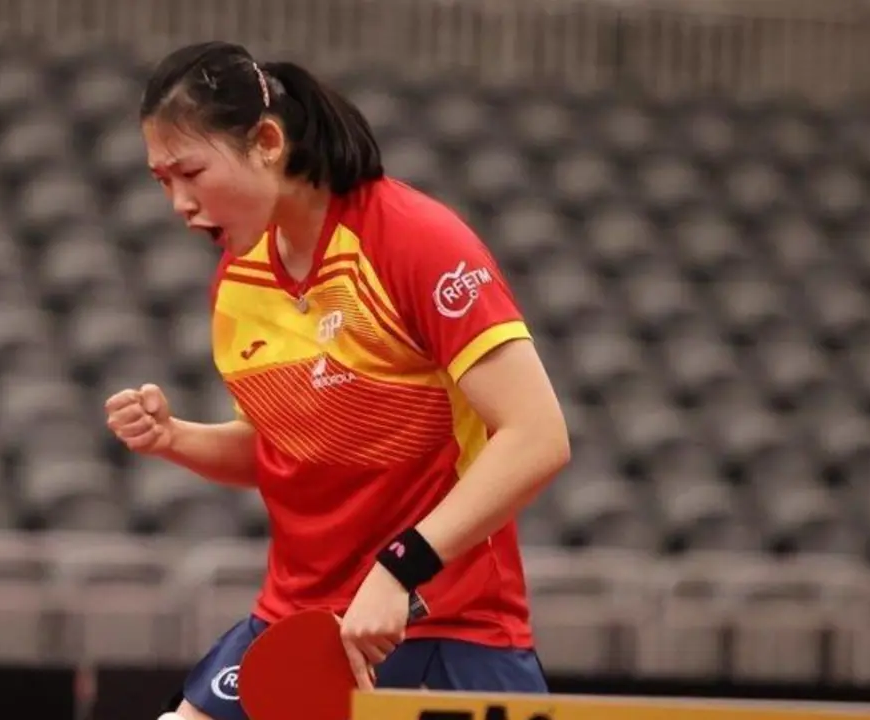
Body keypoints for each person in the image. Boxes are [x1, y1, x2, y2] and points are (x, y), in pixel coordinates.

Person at [104, 41, 571, 720]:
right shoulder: (238, 283)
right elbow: (286, 452)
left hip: (442, 625)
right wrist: (174, 437)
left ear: (268, 143)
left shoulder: (413, 241)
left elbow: (537, 437)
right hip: (295, 625)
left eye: (191, 172)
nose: (178, 202)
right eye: (161, 182)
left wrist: (400, 568)